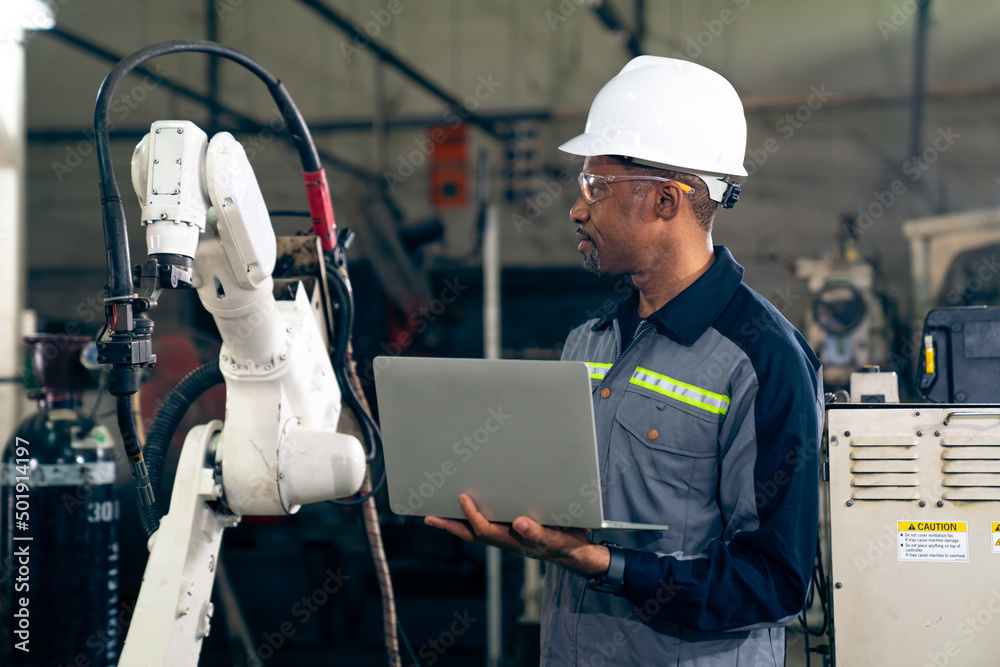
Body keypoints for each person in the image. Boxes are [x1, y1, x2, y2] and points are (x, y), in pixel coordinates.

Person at [426, 56, 823, 666]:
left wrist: (606, 565)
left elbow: (772, 581)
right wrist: (521, 525)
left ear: (667, 200)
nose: (577, 209)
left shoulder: (763, 360)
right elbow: (568, 517)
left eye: (596, 187)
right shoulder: (591, 339)